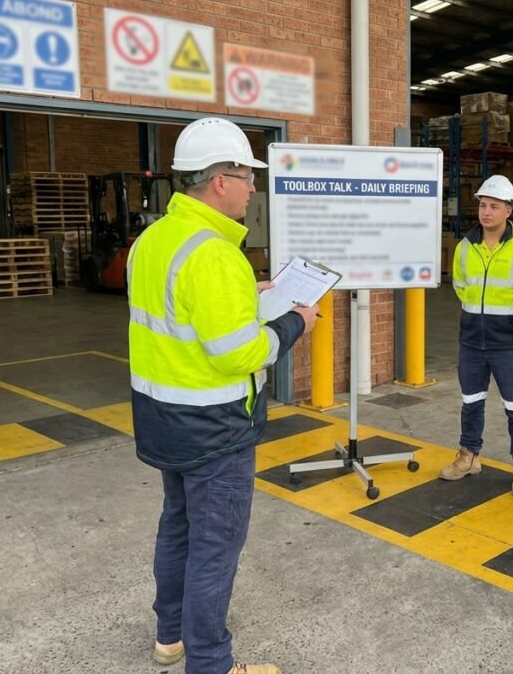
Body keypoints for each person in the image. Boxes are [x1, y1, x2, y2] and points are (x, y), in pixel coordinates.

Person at [128, 117, 318, 674]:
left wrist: (250, 295)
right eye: (246, 175)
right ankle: (210, 664)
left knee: (178, 528)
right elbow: (239, 353)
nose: (253, 187)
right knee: (215, 548)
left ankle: (171, 639)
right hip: (215, 429)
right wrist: (295, 323)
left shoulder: (152, 241)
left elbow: (180, 315)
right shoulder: (214, 253)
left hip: (164, 419)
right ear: (218, 182)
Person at [440, 174, 513, 495]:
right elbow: (460, 287)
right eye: (483, 205)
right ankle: (469, 455)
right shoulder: (464, 248)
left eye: (494, 206)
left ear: (509, 211)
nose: (486, 212)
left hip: (509, 344)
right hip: (472, 341)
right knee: (470, 402)